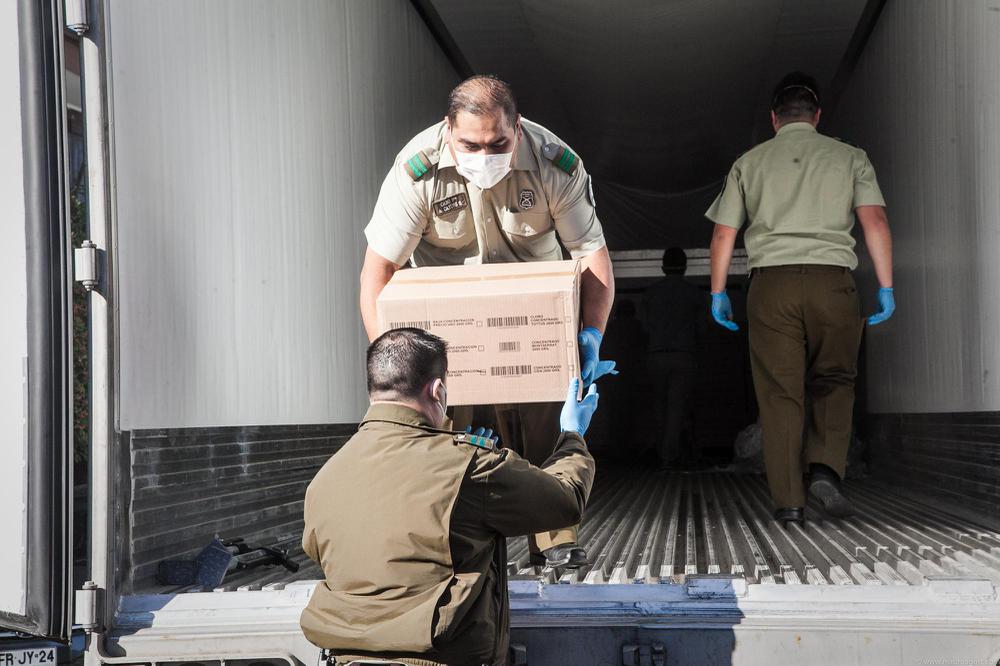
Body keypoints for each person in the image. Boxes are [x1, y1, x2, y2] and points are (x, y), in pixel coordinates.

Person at [359, 74, 615, 567]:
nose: (484, 154)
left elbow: (590, 253)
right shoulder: (416, 172)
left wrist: (589, 337)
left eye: (497, 143)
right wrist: (396, 366)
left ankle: (555, 539)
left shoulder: (553, 163)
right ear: (447, 130)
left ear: (517, 128)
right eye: (469, 145)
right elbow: (378, 272)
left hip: (534, 319)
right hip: (446, 327)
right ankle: (447, 542)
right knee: (445, 436)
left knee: (547, 420)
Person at [300, 328, 598, 666]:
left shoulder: (326, 477)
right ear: (438, 390)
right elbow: (564, 500)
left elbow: (319, 550)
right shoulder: (469, 465)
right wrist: (572, 435)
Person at [706, 72, 895, 526]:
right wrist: (886, 285)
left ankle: (789, 500)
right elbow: (875, 223)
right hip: (834, 284)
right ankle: (826, 470)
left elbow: (723, 233)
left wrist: (717, 292)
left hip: (772, 286)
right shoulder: (851, 158)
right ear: (817, 116)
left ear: (775, 119)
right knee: (835, 379)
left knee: (779, 393)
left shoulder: (749, 163)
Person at [643, 248, 710, 469]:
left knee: (658, 406)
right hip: (684, 355)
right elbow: (702, 328)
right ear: (685, 267)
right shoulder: (694, 293)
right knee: (677, 408)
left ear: (663, 267)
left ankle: (660, 451)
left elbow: (645, 326)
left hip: (656, 355)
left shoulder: (650, 293)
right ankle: (669, 457)